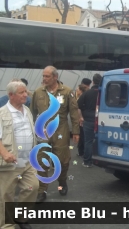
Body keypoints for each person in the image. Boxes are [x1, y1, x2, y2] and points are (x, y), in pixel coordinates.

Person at [30, 66, 80, 203]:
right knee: (41, 160)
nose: (44, 79)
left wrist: (75, 131)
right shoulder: (38, 92)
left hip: (61, 128)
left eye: (47, 76)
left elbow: (74, 113)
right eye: (43, 76)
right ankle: (42, 190)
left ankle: (62, 182)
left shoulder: (67, 92)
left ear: (55, 77)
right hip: (43, 130)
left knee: (63, 160)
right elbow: (32, 112)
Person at [0, 80, 38, 229]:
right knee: (6, 196)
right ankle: (7, 226)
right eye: (21, 92)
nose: (26, 95)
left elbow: (30, 131)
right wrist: (4, 154)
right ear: (11, 95)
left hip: (28, 160)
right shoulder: (2, 113)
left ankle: (21, 218)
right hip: (11, 162)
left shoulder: (27, 110)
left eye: (25, 91)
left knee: (33, 187)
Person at [77, 74, 102, 168]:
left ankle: (87, 161)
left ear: (93, 81)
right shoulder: (103, 92)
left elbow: (78, 105)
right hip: (101, 120)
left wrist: (81, 117)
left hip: (88, 119)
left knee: (88, 141)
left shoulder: (87, 93)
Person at [76, 84, 89, 157]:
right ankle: (81, 151)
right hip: (83, 118)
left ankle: (82, 151)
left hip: (82, 118)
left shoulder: (81, 98)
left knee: (83, 135)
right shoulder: (84, 97)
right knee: (82, 135)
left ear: (81, 91)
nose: (76, 91)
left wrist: (80, 118)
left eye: (78, 89)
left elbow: (78, 109)